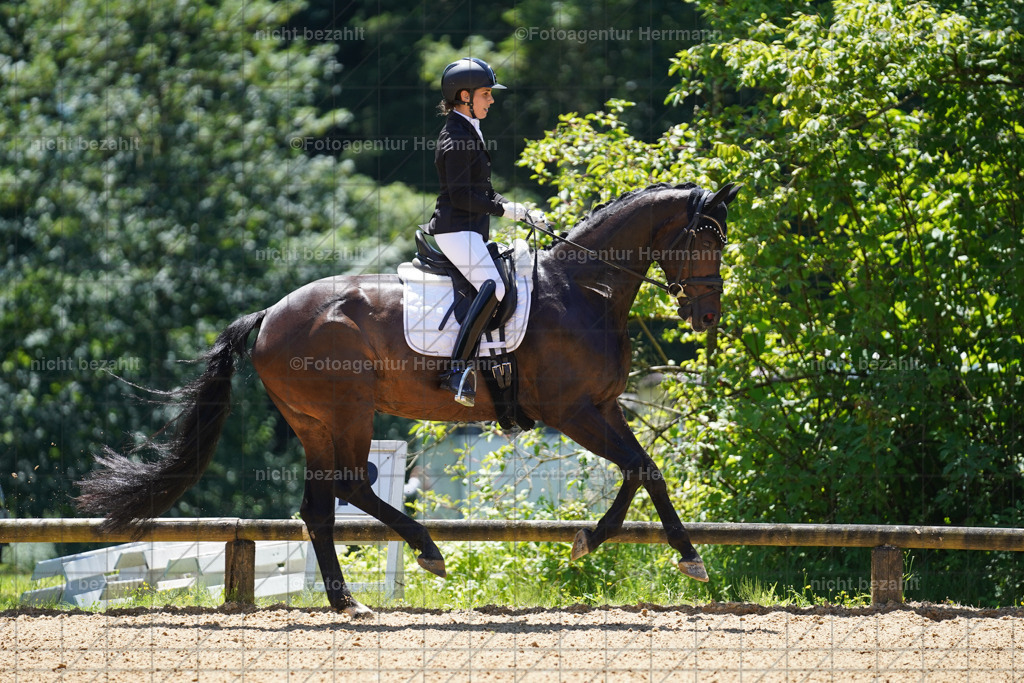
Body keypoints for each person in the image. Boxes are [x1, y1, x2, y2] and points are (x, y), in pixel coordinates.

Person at [425, 57, 544, 407]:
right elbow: (462, 196)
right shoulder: (455, 137)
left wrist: (519, 209)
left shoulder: (468, 129)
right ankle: (456, 370)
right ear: (465, 96)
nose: (491, 100)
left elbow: (484, 191)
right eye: (486, 94)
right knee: (494, 286)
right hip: (455, 230)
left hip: (469, 230)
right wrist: (503, 210)